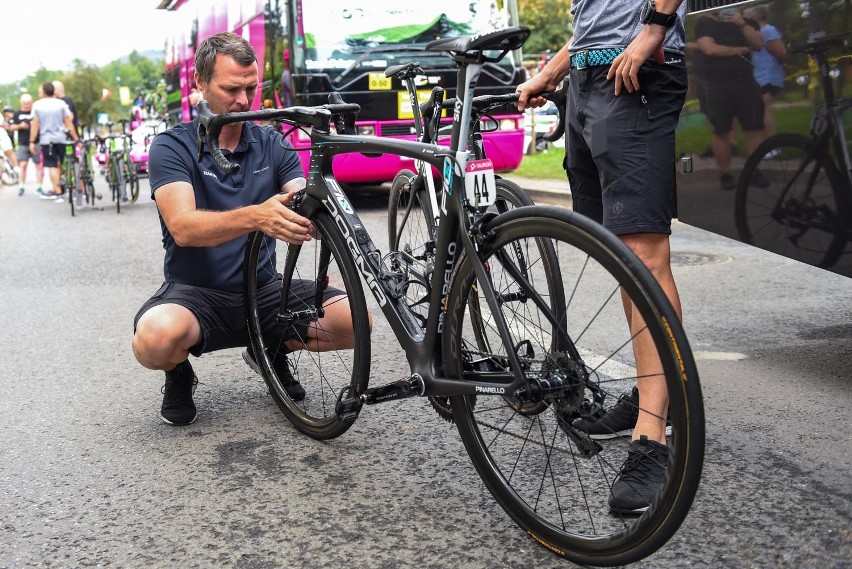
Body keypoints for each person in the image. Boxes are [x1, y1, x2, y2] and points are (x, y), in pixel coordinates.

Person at [131, 32, 362, 426]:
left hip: (265, 290)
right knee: (155, 339)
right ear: (200, 84)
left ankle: (269, 347)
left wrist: (322, 214)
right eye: (231, 89)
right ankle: (178, 370)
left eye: (251, 88)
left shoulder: (273, 143)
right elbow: (183, 227)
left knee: (356, 323)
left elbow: (301, 197)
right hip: (196, 294)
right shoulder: (171, 146)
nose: (242, 101)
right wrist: (256, 216)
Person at [516, 0, 688, 513]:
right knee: (621, 257)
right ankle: (651, 394)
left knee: (644, 257)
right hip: (589, 83)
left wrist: (652, 30)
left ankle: (652, 436)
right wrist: (549, 73)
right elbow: (596, 18)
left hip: (638, 76)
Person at [692, 7, 767, 190]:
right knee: (721, 131)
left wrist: (741, 23)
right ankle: (725, 174)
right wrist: (741, 49)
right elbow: (709, 49)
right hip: (717, 85)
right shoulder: (705, 23)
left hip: (747, 82)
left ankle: (754, 171)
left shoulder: (747, 21)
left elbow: (758, 44)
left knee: (754, 129)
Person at [744, 4, 787, 139]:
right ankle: (765, 144)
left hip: (767, 75)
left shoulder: (768, 29)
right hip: (758, 75)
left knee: (763, 109)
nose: (744, 17)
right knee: (758, 109)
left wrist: (777, 63)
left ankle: (772, 145)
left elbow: (781, 51)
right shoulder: (752, 32)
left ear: (754, 16)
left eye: (746, 15)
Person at [29, 82, 77, 201]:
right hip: (61, 138)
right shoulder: (61, 103)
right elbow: (68, 122)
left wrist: (31, 141)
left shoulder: (37, 105)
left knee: (52, 165)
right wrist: (75, 138)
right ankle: (73, 190)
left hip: (46, 140)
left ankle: (58, 192)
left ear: (44, 92)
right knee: (66, 163)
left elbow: (35, 124)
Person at [8, 94, 45, 196]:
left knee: (38, 165)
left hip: (36, 142)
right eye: (25, 103)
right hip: (23, 143)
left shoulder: (36, 112)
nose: (27, 105)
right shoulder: (17, 114)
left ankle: (39, 186)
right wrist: (20, 126)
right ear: (21, 103)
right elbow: (11, 127)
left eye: (28, 103)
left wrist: (36, 125)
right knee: (23, 165)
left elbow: (43, 124)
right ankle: (21, 186)